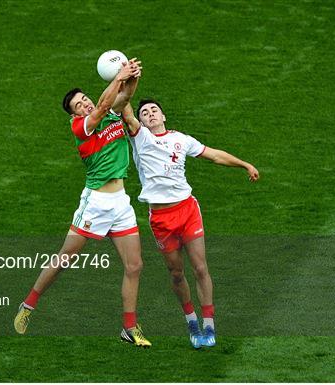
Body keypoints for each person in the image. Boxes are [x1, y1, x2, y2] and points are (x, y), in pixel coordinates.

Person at [14, 60, 152, 347]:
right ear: (74, 114)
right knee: (66, 258)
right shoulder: (82, 128)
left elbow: (124, 97)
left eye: (85, 99)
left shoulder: (111, 113)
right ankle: (28, 306)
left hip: (120, 203)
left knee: (135, 265)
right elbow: (103, 106)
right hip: (96, 203)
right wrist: (119, 78)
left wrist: (132, 78)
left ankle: (129, 328)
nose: (85, 105)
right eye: (78, 105)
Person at [122, 99, 259, 349]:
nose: (150, 114)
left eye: (154, 110)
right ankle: (191, 320)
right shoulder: (140, 137)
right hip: (162, 220)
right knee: (176, 273)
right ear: (140, 121)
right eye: (145, 113)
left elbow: (214, 155)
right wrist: (126, 81)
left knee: (200, 268)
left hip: (187, 211)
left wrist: (244, 164)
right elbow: (126, 109)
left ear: (164, 116)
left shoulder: (182, 140)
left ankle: (209, 324)